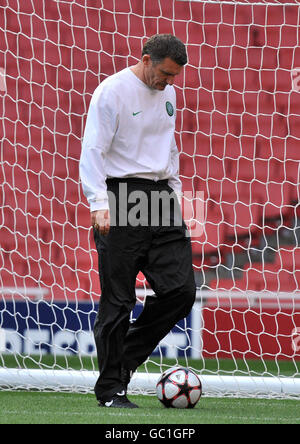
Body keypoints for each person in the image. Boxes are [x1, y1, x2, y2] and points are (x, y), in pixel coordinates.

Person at [79, 34, 196, 409]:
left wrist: (175, 191)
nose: (169, 82)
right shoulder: (111, 92)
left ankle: (122, 359)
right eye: (164, 74)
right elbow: (93, 149)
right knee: (119, 299)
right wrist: (99, 202)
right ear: (146, 59)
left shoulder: (168, 92)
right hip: (121, 196)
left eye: (174, 77)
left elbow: (169, 144)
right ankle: (111, 390)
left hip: (160, 197)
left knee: (181, 292)